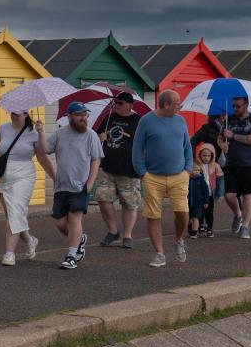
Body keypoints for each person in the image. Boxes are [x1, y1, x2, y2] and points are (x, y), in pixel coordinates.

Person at [37, 102, 103, 270]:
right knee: (60, 223)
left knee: (75, 218)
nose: (83, 118)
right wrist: (40, 132)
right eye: (79, 115)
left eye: (85, 115)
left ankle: (71, 255)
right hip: (61, 185)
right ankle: (79, 239)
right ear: (69, 116)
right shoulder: (60, 134)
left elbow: (96, 159)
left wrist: (90, 182)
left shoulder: (91, 135)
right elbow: (45, 149)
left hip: (80, 185)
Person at [132, 90, 193, 268]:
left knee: (183, 212)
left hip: (179, 175)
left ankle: (179, 239)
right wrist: (142, 173)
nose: (180, 106)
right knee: (153, 215)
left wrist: (188, 169)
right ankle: (159, 254)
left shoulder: (181, 121)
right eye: (177, 103)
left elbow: (187, 146)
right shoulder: (146, 121)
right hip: (152, 176)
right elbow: (137, 149)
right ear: (166, 105)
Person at [0, 110, 56, 266]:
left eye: (18, 113)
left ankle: (9, 253)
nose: (14, 115)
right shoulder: (2, 129)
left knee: (15, 211)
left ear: (26, 114)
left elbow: (42, 155)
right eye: (12, 113)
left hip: (24, 175)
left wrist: (54, 176)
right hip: (5, 175)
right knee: (12, 214)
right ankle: (30, 239)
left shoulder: (33, 132)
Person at [95, 91, 142, 248]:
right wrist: (100, 137)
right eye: (115, 102)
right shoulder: (109, 118)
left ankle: (127, 235)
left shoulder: (138, 120)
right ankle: (113, 230)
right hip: (107, 167)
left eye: (120, 103)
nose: (116, 105)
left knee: (129, 203)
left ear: (129, 105)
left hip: (128, 168)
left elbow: (142, 141)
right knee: (102, 198)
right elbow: (97, 135)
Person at [218, 96, 251, 240]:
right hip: (231, 163)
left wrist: (233, 136)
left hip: (250, 164)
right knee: (229, 195)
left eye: (238, 106)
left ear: (246, 105)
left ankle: (245, 227)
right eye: (233, 106)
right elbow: (220, 137)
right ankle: (238, 214)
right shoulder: (228, 120)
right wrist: (221, 144)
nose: (235, 109)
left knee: (247, 196)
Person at [193, 142, 224, 237]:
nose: (206, 157)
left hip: (210, 194)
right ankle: (201, 225)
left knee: (209, 212)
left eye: (208, 155)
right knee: (200, 211)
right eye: (204, 155)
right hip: (199, 194)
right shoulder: (197, 165)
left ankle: (210, 227)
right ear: (200, 155)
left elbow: (220, 180)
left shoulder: (215, 166)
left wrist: (220, 192)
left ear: (212, 156)